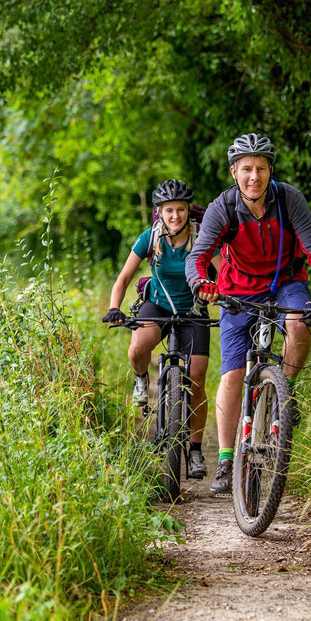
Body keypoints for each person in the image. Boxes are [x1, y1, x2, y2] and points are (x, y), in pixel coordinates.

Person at [185, 134, 311, 494]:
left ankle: (283, 392)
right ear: (234, 172)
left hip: (285, 281)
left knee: (299, 325)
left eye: (261, 168)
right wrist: (200, 282)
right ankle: (227, 460)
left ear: (270, 170)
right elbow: (197, 256)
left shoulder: (289, 199)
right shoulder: (222, 207)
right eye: (246, 169)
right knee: (232, 374)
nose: (254, 177)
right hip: (238, 289)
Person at [103, 179, 216, 479]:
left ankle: (194, 451)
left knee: (197, 379)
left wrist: (223, 294)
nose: (175, 216)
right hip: (158, 304)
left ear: (188, 210)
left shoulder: (202, 236)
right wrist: (115, 308)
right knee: (138, 348)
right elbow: (124, 277)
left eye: (180, 209)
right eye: (169, 210)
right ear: (160, 212)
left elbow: (225, 272)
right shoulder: (151, 237)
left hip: (194, 310)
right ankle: (142, 379)